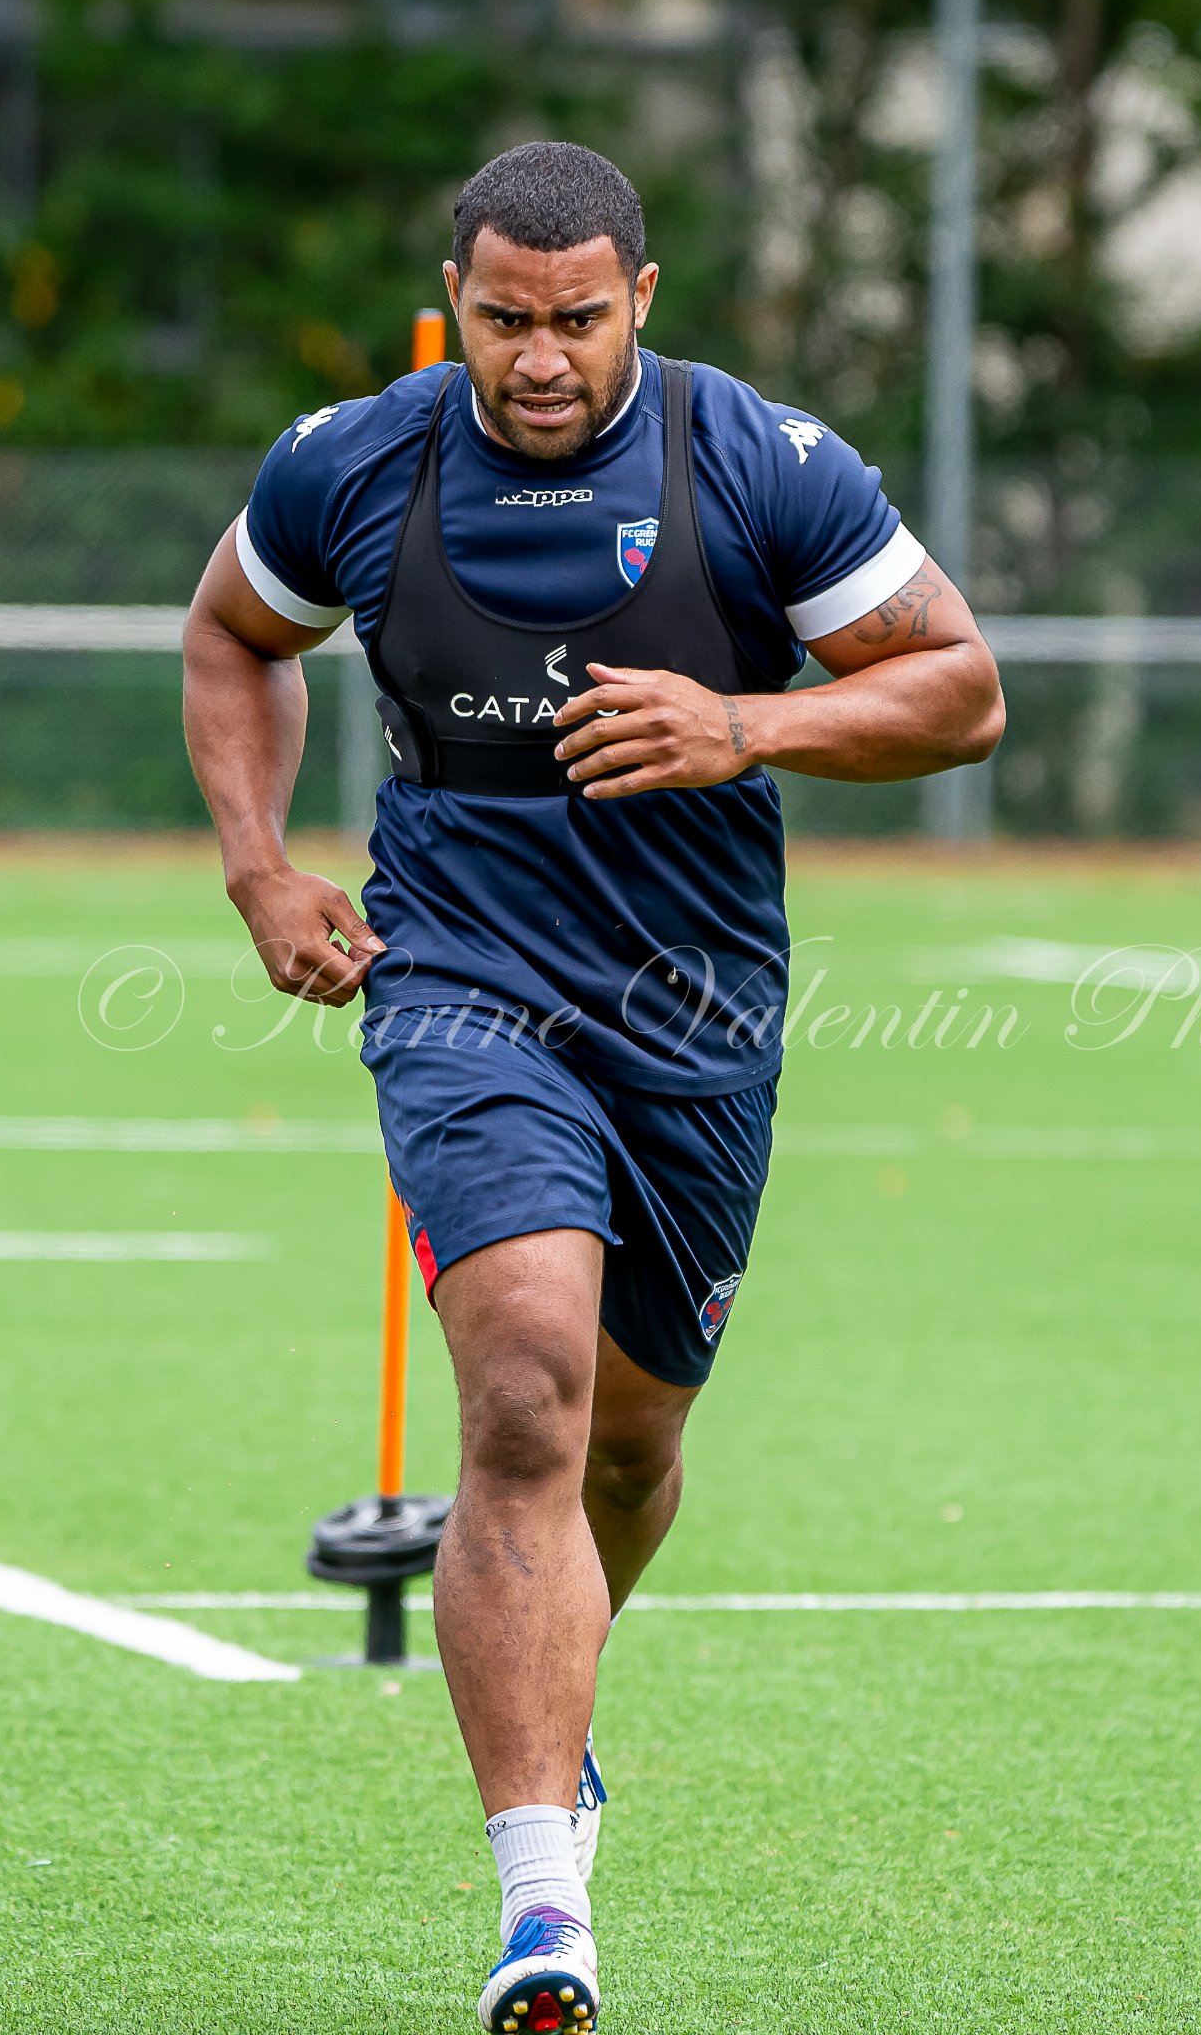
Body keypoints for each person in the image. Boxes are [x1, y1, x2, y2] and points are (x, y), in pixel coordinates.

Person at [183, 140, 1003, 2032]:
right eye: (499, 320)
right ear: (454, 302)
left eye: (572, 319)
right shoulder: (353, 459)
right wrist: (259, 866)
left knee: (628, 1443)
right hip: (461, 978)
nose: (536, 358)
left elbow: (958, 689)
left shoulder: (764, 466)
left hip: (697, 1001)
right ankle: (540, 1901)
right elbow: (238, 634)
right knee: (528, 1393)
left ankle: (564, 1725)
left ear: (640, 297)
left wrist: (749, 721)